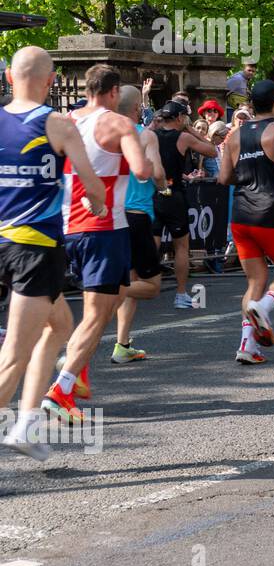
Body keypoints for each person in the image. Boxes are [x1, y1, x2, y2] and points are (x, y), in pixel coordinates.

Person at [0, 48, 106, 460]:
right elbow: (91, 183)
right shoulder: (57, 123)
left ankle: (26, 423)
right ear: (52, 80)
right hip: (36, 249)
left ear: (9, 77)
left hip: (4, 244)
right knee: (14, 355)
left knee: (59, 325)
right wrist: (96, 205)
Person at [41, 64, 153, 425]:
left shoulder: (63, 122)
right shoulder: (119, 124)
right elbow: (140, 171)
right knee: (96, 313)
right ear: (114, 91)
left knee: (111, 298)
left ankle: (78, 372)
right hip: (104, 226)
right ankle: (61, 389)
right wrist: (148, 160)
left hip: (63, 225)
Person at [218, 80, 274, 364]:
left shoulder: (234, 135)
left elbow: (223, 178)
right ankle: (264, 308)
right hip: (270, 213)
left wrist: (245, 175)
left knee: (255, 280)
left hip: (241, 216)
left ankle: (247, 346)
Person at [113, 85, 169, 363]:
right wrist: (163, 187)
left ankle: (122, 344)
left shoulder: (105, 133)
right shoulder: (146, 135)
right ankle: (103, 291)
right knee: (151, 285)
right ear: (137, 109)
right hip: (137, 214)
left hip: (111, 215)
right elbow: (157, 173)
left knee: (132, 279)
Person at [153, 100, 218, 307]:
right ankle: (181, 294)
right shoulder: (183, 137)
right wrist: (191, 129)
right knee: (181, 246)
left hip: (153, 193)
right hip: (174, 194)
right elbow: (212, 150)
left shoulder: (150, 135)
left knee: (151, 243)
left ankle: (139, 286)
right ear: (180, 118)